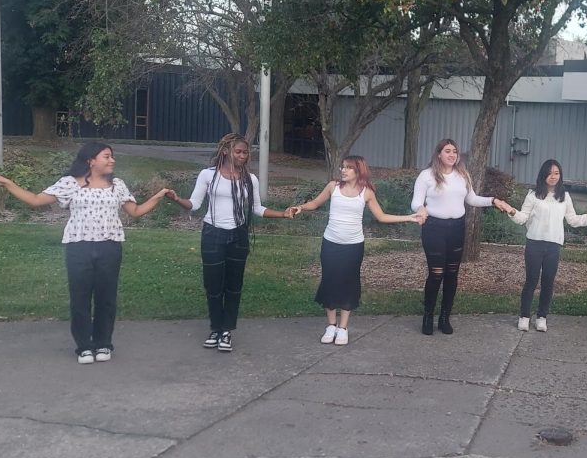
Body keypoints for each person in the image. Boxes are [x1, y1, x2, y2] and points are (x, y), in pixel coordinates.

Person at [0, 142, 173, 364]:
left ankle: (103, 343)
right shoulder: (70, 184)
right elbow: (35, 201)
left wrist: (158, 196)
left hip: (110, 247)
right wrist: (7, 183)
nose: (112, 160)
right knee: (80, 298)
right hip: (78, 247)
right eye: (106, 156)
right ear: (90, 160)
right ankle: (84, 346)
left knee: (106, 298)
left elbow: (136, 211)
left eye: (112, 157)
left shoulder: (117, 185)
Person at [166, 133, 296, 353]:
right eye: (238, 151)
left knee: (234, 286)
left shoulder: (250, 180)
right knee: (213, 284)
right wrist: (177, 199)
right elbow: (195, 204)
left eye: (245, 152)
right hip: (213, 234)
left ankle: (226, 330)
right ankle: (216, 328)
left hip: (238, 235)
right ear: (226, 151)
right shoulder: (209, 175)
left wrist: (283, 214)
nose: (243, 156)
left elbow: (257, 208)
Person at [290, 156, 426, 346]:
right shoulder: (333, 187)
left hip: (353, 246)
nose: (343, 170)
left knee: (348, 283)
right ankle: (331, 325)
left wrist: (410, 218)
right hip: (330, 244)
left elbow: (381, 216)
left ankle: (343, 328)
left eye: (348, 168)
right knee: (329, 281)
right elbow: (314, 203)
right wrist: (300, 207)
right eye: (342, 167)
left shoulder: (366, 192)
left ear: (358, 171)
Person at [410, 138, 507, 335]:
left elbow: (472, 199)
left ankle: (445, 317)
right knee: (437, 273)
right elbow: (416, 202)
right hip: (434, 228)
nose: (452, 154)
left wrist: (494, 200)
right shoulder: (426, 176)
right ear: (439, 154)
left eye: (455, 151)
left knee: (452, 274)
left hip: (456, 228)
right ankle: (428, 316)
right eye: (447, 151)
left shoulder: (462, 175)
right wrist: (420, 209)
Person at [499, 160, 587, 332]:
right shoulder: (533, 195)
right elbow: (522, 218)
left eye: (556, 173)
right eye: (550, 173)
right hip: (534, 243)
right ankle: (524, 316)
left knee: (548, 282)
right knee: (531, 281)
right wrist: (510, 210)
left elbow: (573, 220)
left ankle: (542, 317)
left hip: (554, 245)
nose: (553, 176)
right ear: (543, 175)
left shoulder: (564, 196)